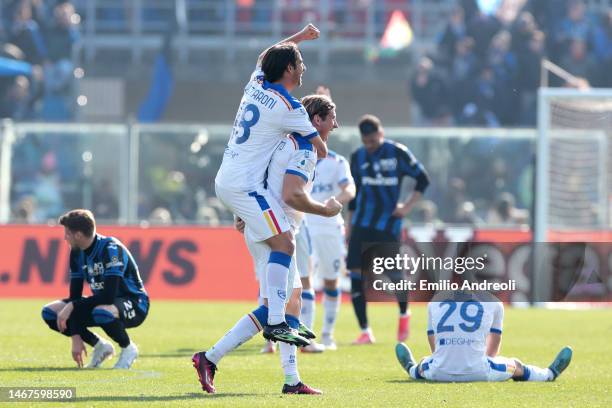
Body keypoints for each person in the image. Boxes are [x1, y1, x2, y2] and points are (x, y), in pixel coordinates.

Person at [193, 94, 342, 395]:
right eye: (332, 118)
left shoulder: (283, 141)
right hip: (275, 229)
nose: (336, 125)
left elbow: (256, 175)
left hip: (264, 223)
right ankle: (210, 357)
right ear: (317, 120)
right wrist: (325, 210)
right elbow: (292, 195)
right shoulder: (304, 149)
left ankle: (290, 379)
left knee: (291, 301)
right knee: (277, 307)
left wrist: (242, 211)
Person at [214, 23, 327, 347]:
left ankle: (284, 323)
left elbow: (266, 55)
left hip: (233, 180)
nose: (304, 67)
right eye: (301, 62)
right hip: (245, 187)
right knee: (286, 245)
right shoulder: (289, 107)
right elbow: (318, 147)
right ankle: (277, 320)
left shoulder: (256, 83)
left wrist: (299, 38)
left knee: (281, 250)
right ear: (290, 68)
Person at [347, 114, 430, 345]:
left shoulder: (398, 153)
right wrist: (349, 225)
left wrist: (407, 206)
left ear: (380, 134)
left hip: (388, 225)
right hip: (362, 224)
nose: (369, 146)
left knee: (394, 276)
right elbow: (353, 196)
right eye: (366, 142)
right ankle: (365, 331)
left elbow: (423, 179)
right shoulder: (358, 157)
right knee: (355, 275)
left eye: (373, 141)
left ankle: (404, 314)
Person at [41, 209, 149, 369]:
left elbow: (108, 296)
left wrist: (72, 305)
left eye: (67, 233)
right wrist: (75, 336)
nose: (65, 238)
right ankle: (100, 346)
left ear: (78, 235)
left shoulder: (111, 249)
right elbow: (75, 296)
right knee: (50, 312)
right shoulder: (76, 252)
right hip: (104, 303)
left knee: (101, 311)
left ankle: (128, 348)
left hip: (134, 304)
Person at [395, 294, 573, 382]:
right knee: (516, 365)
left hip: (439, 371)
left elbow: (435, 350)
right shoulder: (494, 303)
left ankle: (411, 368)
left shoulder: (434, 302)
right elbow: (493, 352)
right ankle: (548, 375)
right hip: (478, 371)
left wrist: (449, 358)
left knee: (424, 364)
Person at [304, 115, 356, 351]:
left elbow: (350, 188)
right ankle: (305, 336)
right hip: (304, 225)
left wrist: (336, 200)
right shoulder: (300, 154)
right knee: (304, 280)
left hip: (330, 228)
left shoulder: (337, 161)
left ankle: (327, 334)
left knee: (331, 281)